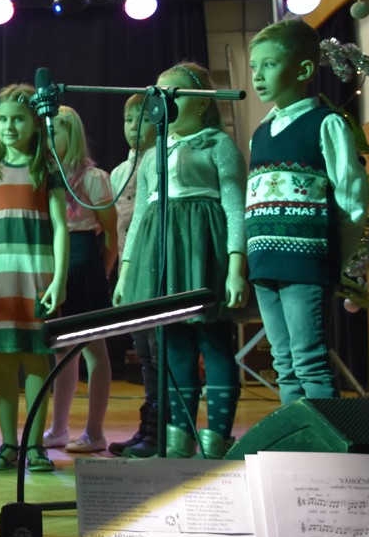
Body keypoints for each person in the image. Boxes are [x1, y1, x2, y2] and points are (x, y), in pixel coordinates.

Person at [114, 63, 248, 459]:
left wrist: (235, 267)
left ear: (203, 103)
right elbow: (140, 215)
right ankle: (180, 435)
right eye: (159, 94)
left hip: (202, 250)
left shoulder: (218, 145)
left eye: (175, 93)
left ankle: (217, 436)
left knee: (214, 339)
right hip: (160, 252)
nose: (165, 101)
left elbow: (235, 208)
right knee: (172, 341)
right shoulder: (153, 154)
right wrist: (126, 272)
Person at [246, 20, 369, 406]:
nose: (257, 75)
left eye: (269, 64)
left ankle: (326, 443)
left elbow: (352, 196)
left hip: (307, 262)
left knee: (310, 361)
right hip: (264, 262)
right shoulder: (260, 133)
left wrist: (335, 257)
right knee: (283, 363)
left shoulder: (324, 123)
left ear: (302, 70)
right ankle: (297, 439)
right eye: (254, 66)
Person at [0, 84, 68, 474]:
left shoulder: (47, 168)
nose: (9, 126)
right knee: (5, 362)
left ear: (35, 123)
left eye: (18, 119)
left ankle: (35, 446)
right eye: (4, 119)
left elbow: (60, 226)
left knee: (37, 359)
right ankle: (9, 444)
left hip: (37, 275)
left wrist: (59, 279)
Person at [41, 106, 117, 455]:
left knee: (94, 350)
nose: (47, 138)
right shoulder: (44, 175)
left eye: (54, 131)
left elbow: (111, 234)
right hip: (57, 262)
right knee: (62, 352)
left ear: (70, 135)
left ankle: (95, 432)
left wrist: (102, 272)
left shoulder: (93, 177)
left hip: (84, 259)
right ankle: (58, 428)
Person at [107, 94, 161, 457]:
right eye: (129, 121)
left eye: (142, 120)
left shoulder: (162, 164)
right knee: (142, 351)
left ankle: (163, 429)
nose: (134, 128)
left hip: (156, 269)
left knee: (158, 350)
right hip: (130, 272)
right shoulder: (118, 173)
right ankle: (148, 426)